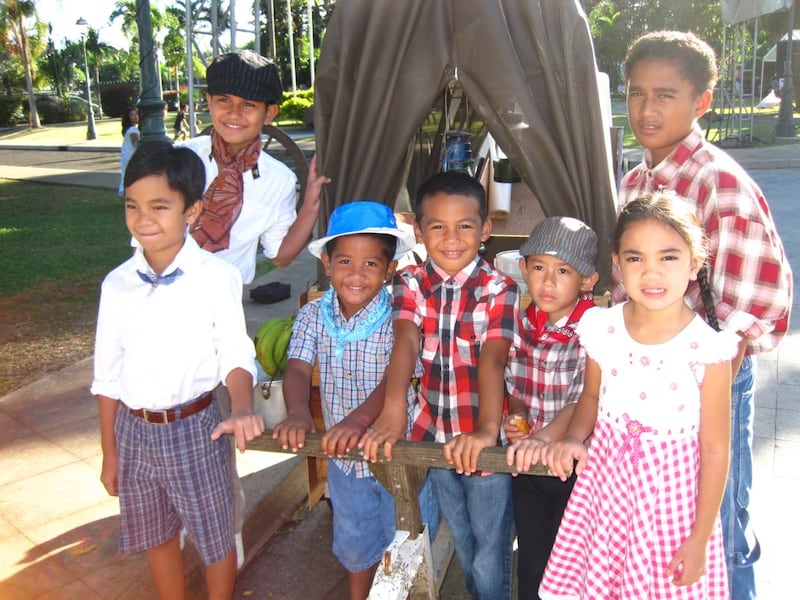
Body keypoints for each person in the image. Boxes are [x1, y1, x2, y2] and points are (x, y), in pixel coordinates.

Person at [619, 30, 793, 600]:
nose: (647, 109)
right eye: (637, 93)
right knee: (666, 518)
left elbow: (758, 303)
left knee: (716, 520)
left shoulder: (718, 183)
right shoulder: (637, 179)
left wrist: (707, 377)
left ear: (702, 102)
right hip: (651, 377)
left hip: (707, 380)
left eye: (665, 95)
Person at [539, 191, 739, 599]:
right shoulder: (601, 328)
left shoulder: (708, 349)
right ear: (617, 263)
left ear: (694, 262)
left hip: (673, 507)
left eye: (667, 257)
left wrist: (699, 539)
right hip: (606, 492)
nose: (651, 273)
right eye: (635, 258)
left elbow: (717, 450)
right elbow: (591, 399)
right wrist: (575, 438)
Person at [91, 141, 265, 599]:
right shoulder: (117, 285)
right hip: (134, 431)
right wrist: (110, 452)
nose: (143, 218)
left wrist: (243, 407)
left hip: (196, 429)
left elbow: (234, 352)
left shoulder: (215, 277)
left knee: (214, 534)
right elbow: (107, 376)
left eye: (159, 206)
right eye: (133, 206)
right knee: (156, 534)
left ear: (192, 211)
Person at [360, 171, 518, 600]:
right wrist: (394, 410)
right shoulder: (410, 282)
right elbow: (407, 339)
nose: (452, 238)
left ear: (485, 229)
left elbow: (493, 357)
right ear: (419, 230)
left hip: (485, 445)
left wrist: (486, 431)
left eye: (465, 226)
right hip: (435, 436)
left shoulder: (498, 288)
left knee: (490, 547)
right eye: (438, 227)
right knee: (462, 537)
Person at [273, 201, 438, 600]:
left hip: (399, 454)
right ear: (327, 264)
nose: (356, 274)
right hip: (345, 460)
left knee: (407, 534)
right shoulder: (314, 315)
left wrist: (357, 420)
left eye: (370, 264)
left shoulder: (401, 315)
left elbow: (394, 380)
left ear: (389, 269)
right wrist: (297, 412)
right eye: (345, 261)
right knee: (353, 538)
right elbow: (296, 368)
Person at [502, 216, 599, 598]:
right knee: (532, 562)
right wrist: (517, 416)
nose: (548, 281)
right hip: (529, 465)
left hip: (573, 468)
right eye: (539, 267)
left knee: (573, 564)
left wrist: (539, 439)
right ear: (524, 269)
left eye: (564, 271)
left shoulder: (594, 331)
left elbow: (582, 399)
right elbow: (513, 385)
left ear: (588, 280)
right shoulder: (522, 324)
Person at [182, 49, 330, 285]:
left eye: (248, 104)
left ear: (269, 113)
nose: (234, 112)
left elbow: (281, 257)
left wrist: (310, 205)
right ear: (209, 102)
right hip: (157, 295)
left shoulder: (278, 181)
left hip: (222, 303)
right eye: (224, 100)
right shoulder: (179, 159)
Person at [118, 106, 139, 196]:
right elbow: (136, 144)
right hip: (130, 157)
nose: (135, 116)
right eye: (132, 115)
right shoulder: (132, 130)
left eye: (136, 114)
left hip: (127, 156)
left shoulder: (132, 129)